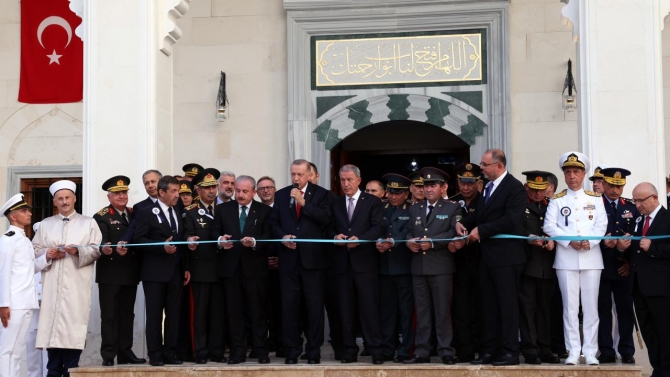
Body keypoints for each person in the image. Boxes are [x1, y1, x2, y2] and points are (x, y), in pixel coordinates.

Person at [456, 149, 527, 366]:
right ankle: (490, 349)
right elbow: (481, 213)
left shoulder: (514, 187)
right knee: (489, 306)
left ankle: (509, 351)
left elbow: (511, 219)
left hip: (507, 257)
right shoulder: (487, 186)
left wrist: (482, 231)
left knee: (507, 306)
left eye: (485, 165)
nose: (482, 168)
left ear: (499, 165)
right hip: (487, 257)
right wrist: (465, 223)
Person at [32, 180, 102, 376]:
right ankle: (52, 370)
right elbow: (35, 250)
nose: (64, 202)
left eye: (67, 198)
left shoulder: (89, 223)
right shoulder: (45, 224)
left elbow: (96, 249)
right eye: (60, 199)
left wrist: (77, 251)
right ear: (54, 201)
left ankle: (71, 369)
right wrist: (48, 253)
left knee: (73, 327)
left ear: (74, 199)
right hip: (52, 286)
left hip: (76, 286)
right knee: (52, 327)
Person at [543, 151, 607, 365]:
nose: (572, 176)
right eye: (568, 172)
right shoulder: (557, 200)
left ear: (584, 173)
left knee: (590, 307)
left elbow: (601, 225)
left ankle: (590, 351)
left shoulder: (595, 199)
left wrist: (592, 241)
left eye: (576, 172)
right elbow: (549, 226)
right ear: (563, 174)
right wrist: (568, 241)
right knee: (570, 308)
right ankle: (572, 351)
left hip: (591, 258)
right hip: (566, 258)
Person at [269, 159, 332, 364]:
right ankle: (292, 351)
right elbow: (273, 222)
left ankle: (313, 351)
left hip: (313, 262)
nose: (295, 178)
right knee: (289, 308)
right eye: (293, 174)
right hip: (289, 262)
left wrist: (304, 203)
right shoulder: (281, 195)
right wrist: (282, 237)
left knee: (314, 309)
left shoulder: (323, 195)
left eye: (300, 174)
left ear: (308, 175)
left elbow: (326, 219)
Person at [211, 175, 272, 364]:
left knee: (257, 311)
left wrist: (254, 242)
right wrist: (221, 241)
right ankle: (238, 351)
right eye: (238, 190)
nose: (240, 194)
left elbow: (269, 234)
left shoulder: (263, 210)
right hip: (231, 269)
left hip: (255, 269)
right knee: (234, 313)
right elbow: (214, 231)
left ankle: (261, 350)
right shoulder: (223, 209)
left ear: (254, 192)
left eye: (245, 191)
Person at [403, 167, 460, 365]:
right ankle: (421, 351)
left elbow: (454, 231)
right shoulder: (415, 208)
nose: (428, 189)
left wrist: (433, 242)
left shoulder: (452, 207)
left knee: (442, 311)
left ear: (443, 187)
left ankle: (446, 350)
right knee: (422, 312)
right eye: (425, 185)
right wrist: (410, 241)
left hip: (441, 266)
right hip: (419, 266)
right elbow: (409, 231)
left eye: (432, 185)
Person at [329, 164, 385, 364]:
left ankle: (376, 350)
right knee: (346, 309)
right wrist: (335, 236)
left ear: (358, 180)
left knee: (369, 308)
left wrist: (359, 239)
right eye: (342, 180)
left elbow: (378, 227)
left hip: (365, 264)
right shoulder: (335, 203)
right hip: (342, 265)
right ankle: (349, 350)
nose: (345, 184)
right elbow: (327, 228)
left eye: (349, 179)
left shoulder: (372, 201)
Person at [134, 175, 191, 366]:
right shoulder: (147, 212)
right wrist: (161, 246)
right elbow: (138, 240)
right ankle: (155, 354)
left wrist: (186, 267)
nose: (177, 195)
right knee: (155, 315)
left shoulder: (177, 211)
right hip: (154, 273)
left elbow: (180, 240)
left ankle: (170, 352)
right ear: (161, 192)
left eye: (179, 191)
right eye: (173, 191)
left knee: (173, 315)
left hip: (175, 271)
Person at [94, 176, 145, 366]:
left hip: (130, 273)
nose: (122, 196)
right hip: (110, 274)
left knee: (127, 315)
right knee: (109, 316)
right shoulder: (101, 216)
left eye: (124, 192)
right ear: (109, 197)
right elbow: (100, 242)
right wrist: (107, 248)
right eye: (117, 193)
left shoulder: (134, 214)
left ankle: (125, 353)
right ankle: (108, 355)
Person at [0, 195, 52, 377]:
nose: (29, 213)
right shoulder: (8, 239)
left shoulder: (24, 239)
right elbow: (3, 273)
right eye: (24, 211)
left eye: (28, 210)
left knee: (17, 350)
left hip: (27, 302)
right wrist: (4, 304)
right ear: (13, 216)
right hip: (14, 303)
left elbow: (30, 269)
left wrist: (48, 257)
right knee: (6, 351)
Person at [622, 183, 670, 377]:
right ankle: (657, 368)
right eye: (635, 201)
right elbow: (637, 251)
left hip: (661, 287)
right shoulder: (638, 221)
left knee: (665, 332)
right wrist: (622, 247)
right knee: (649, 332)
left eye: (641, 200)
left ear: (655, 198)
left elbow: (654, 247)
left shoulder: (667, 219)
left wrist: (654, 248)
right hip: (639, 287)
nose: (638, 205)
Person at [183, 169, 226, 364]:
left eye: (214, 187)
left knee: (218, 313)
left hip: (222, 269)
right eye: (207, 188)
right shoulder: (190, 212)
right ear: (198, 190)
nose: (211, 191)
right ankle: (200, 350)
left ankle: (216, 350)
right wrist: (189, 240)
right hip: (200, 269)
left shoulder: (225, 209)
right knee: (200, 313)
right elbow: (186, 235)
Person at [518, 171, 560, 364]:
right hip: (527, 265)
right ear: (527, 187)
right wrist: (529, 238)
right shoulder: (520, 206)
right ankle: (530, 349)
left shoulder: (553, 206)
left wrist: (555, 241)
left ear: (548, 189)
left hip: (548, 265)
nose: (537, 194)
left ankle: (545, 348)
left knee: (545, 309)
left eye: (541, 190)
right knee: (527, 310)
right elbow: (515, 228)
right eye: (534, 189)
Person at [597, 168, 637, 364]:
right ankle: (606, 350)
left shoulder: (630, 206)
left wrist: (630, 261)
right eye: (611, 185)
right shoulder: (594, 204)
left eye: (619, 186)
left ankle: (627, 350)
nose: (615, 190)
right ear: (603, 184)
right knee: (602, 310)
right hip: (600, 265)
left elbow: (636, 238)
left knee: (625, 310)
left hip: (623, 267)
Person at [375, 173, 415, 363]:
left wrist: (394, 242)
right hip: (384, 268)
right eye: (390, 191)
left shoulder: (412, 210)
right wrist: (378, 242)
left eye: (397, 192)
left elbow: (411, 232)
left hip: (405, 268)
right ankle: (387, 349)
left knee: (406, 312)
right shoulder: (381, 209)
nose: (393, 196)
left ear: (406, 194)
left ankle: (406, 350)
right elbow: (375, 229)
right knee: (387, 312)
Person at [449, 163, 484, 363]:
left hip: (481, 261)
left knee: (481, 306)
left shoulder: (486, 202)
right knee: (460, 307)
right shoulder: (452, 204)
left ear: (478, 183)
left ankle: (482, 345)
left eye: (470, 183)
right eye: (462, 182)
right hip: (459, 262)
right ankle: (464, 349)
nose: (466, 187)